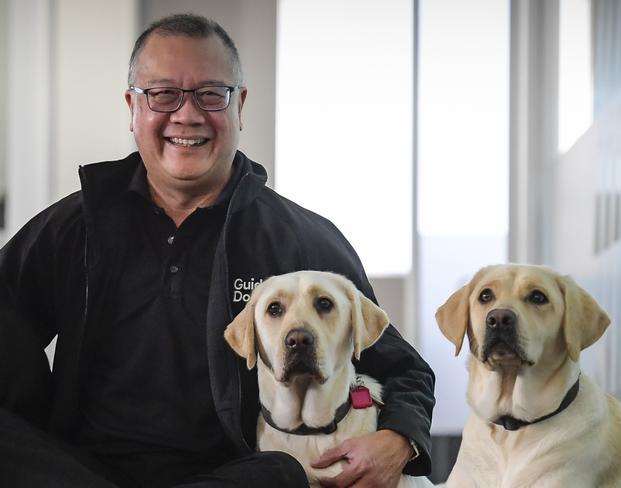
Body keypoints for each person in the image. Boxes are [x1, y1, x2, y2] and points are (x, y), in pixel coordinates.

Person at [0, 13, 435, 488]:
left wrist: (400, 439)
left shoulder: (298, 238)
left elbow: (402, 367)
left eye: (211, 94)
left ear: (239, 105)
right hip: (81, 469)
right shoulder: (76, 226)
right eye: (163, 94)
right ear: (132, 106)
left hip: (229, 475)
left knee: (282, 473)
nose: (187, 115)